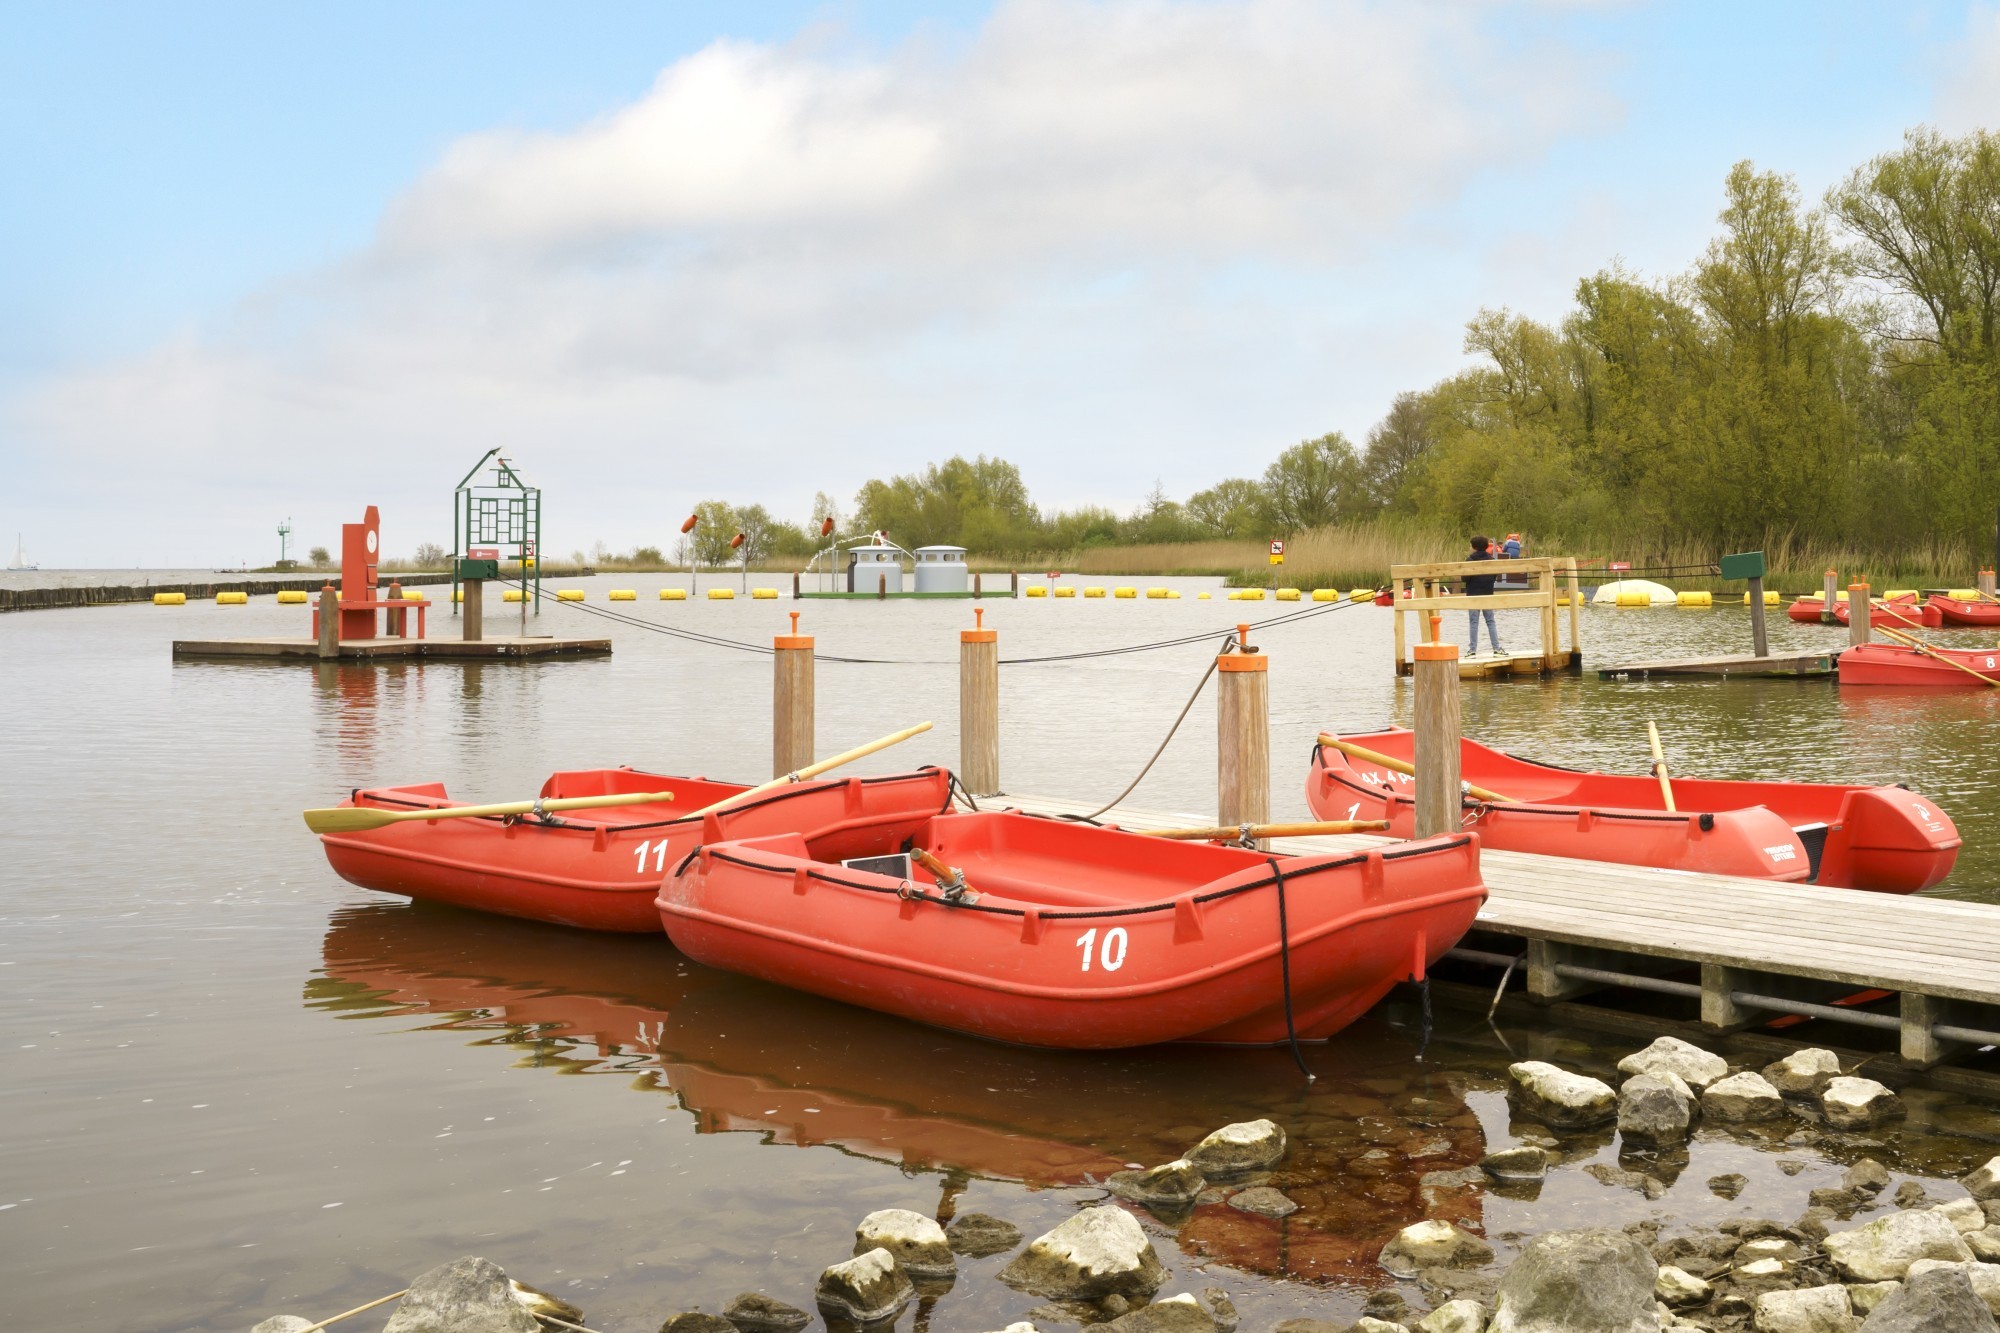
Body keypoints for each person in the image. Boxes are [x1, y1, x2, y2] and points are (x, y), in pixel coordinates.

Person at [1463, 535, 1504, 654]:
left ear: (1474, 547)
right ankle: (1496, 648)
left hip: (1473, 594)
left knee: (1473, 622)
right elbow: (1495, 576)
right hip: (1487, 593)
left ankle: (1472, 650)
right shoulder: (1491, 560)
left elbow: (1464, 578)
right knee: (1490, 621)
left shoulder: (1470, 560)